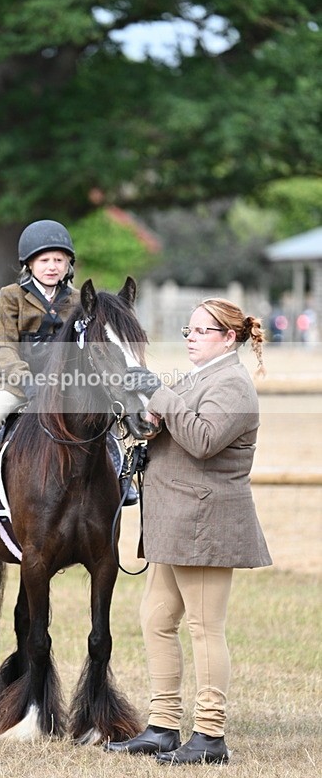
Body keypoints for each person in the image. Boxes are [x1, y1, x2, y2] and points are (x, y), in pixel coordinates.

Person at [105, 297, 272, 765]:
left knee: (203, 627)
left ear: (229, 338)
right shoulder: (199, 379)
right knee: (156, 620)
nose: (191, 338)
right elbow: (171, 423)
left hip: (207, 523)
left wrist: (160, 395)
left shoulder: (234, 385)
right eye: (188, 331)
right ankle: (162, 727)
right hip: (176, 523)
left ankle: (210, 735)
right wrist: (147, 423)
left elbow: (201, 441)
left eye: (201, 331)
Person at [0, 219, 80, 521]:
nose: (52, 266)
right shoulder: (11, 295)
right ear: (29, 263)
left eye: (59, 260)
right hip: (18, 384)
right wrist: (25, 381)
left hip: (66, 385)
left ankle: (120, 479)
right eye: (45, 260)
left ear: (68, 264)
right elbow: (4, 346)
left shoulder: (77, 299)